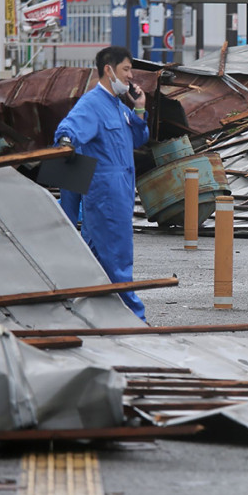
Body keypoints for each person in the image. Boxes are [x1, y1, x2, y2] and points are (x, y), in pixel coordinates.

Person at [54, 46, 150, 320]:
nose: (130, 76)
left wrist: (140, 108)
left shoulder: (118, 106)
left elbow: (139, 137)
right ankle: (135, 319)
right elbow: (69, 129)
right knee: (117, 259)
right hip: (106, 196)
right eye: (126, 69)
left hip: (119, 192)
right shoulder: (92, 104)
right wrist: (65, 142)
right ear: (109, 70)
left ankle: (83, 314)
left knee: (95, 259)